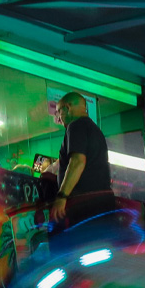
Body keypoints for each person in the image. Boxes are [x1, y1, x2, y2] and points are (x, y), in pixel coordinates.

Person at [49, 93, 115, 231]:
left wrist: (62, 196)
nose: (59, 118)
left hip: (85, 205)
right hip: (102, 204)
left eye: (59, 111)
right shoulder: (95, 130)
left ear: (68, 108)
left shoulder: (75, 126)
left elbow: (78, 162)